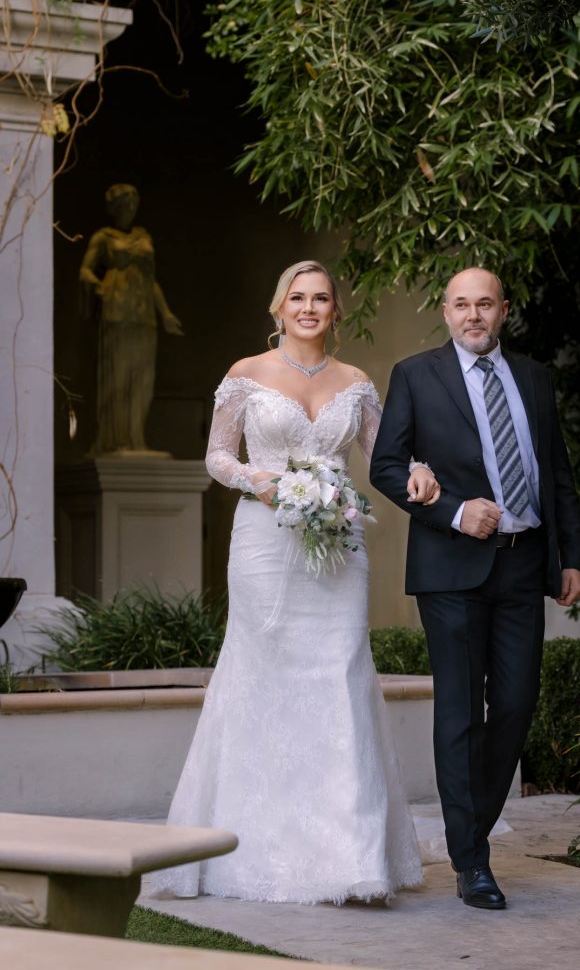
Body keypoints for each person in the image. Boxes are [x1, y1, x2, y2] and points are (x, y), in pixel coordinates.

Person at [150, 260, 439, 903]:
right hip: (263, 542)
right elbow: (217, 455)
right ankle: (250, 845)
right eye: (298, 298)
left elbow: (382, 457)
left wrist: (418, 471)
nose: (309, 308)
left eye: (322, 298)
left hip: (340, 547)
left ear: (335, 311)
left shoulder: (356, 383)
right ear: (278, 308)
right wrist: (257, 479)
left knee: (342, 673)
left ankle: (352, 856)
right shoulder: (246, 373)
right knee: (262, 672)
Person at [370, 267, 580, 910]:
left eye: (484, 304)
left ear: (503, 310)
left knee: (516, 704)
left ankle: (468, 831)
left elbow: (557, 472)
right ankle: (472, 862)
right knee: (461, 712)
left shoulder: (534, 378)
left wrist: (571, 557)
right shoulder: (416, 375)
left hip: (524, 562)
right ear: (445, 312)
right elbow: (386, 465)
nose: (473, 315)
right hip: (451, 567)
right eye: (461, 304)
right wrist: (455, 511)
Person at [79, 183, 183, 455]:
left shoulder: (143, 235)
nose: (130, 208)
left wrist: (165, 313)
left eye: (133, 204)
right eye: (125, 204)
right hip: (117, 308)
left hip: (143, 312)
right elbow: (85, 270)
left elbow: (151, 280)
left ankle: (137, 439)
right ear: (114, 208)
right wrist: (96, 285)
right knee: (118, 376)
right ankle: (114, 440)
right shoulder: (103, 237)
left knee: (143, 377)